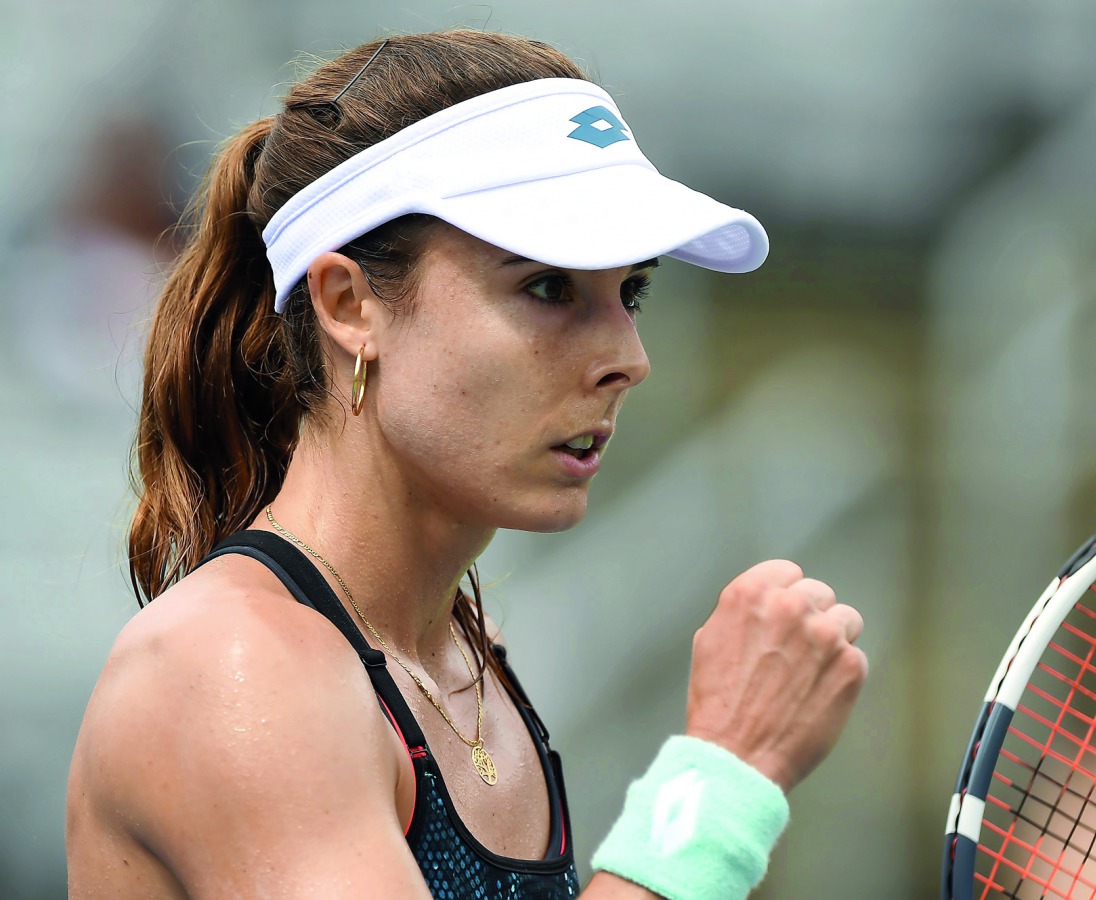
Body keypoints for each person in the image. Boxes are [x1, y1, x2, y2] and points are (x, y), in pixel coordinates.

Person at [65, 31, 867, 899]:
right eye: (548, 287)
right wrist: (721, 779)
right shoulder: (232, 666)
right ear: (348, 305)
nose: (629, 359)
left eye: (630, 292)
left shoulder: (466, 663)